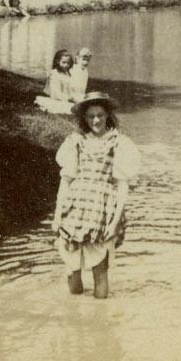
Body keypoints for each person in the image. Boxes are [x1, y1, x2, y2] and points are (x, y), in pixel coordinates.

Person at [53, 92, 141, 298]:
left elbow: (122, 186)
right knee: (72, 271)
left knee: (100, 271)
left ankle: (102, 321)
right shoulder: (76, 141)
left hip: (103, 210)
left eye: (100, 115)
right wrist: (57, 216)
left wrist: (115, 222)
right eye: (91, 116)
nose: (96, 120)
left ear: (108, 115)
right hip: (74, 209)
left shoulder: (119, 142)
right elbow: (65, 181)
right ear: (84, 118)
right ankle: (74, 318)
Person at [34, 48, 89, 115]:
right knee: (72, 108)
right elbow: (55, 93)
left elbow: (70, 89)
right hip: (58, 99)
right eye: (63, 62)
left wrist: (73, 96)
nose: (66, 65)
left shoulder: (68, 73)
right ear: (57, 62)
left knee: (84, 101)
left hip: (68, 98)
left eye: (68, 63)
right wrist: (68, 98)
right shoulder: (54, 74)